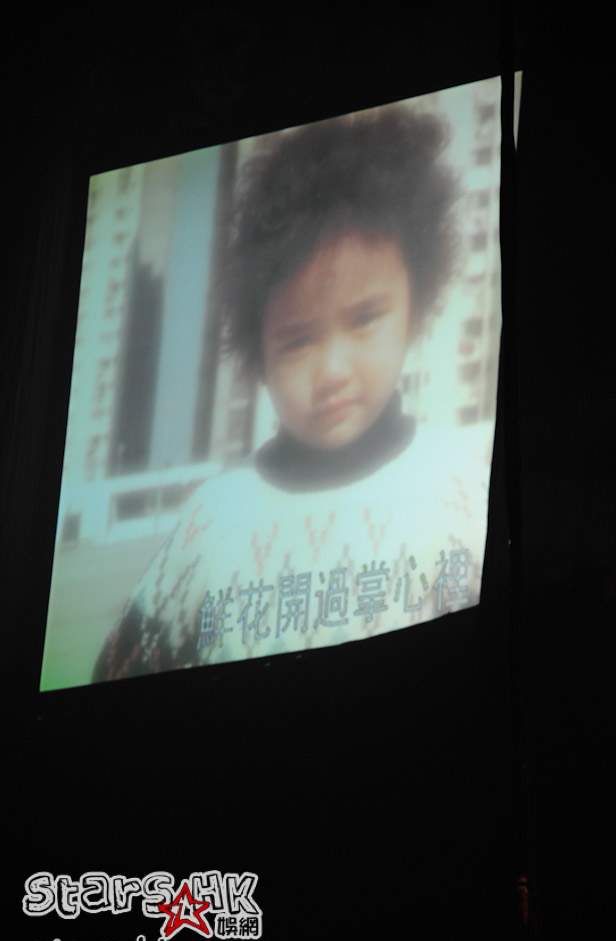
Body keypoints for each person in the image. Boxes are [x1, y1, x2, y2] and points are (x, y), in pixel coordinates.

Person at [93, 102, 492, 684]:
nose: (332, 370)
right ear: (258, 348)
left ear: (416, 304)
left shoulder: (465, 486)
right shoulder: (213, 522)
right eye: (299, 340)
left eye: (364, 319)